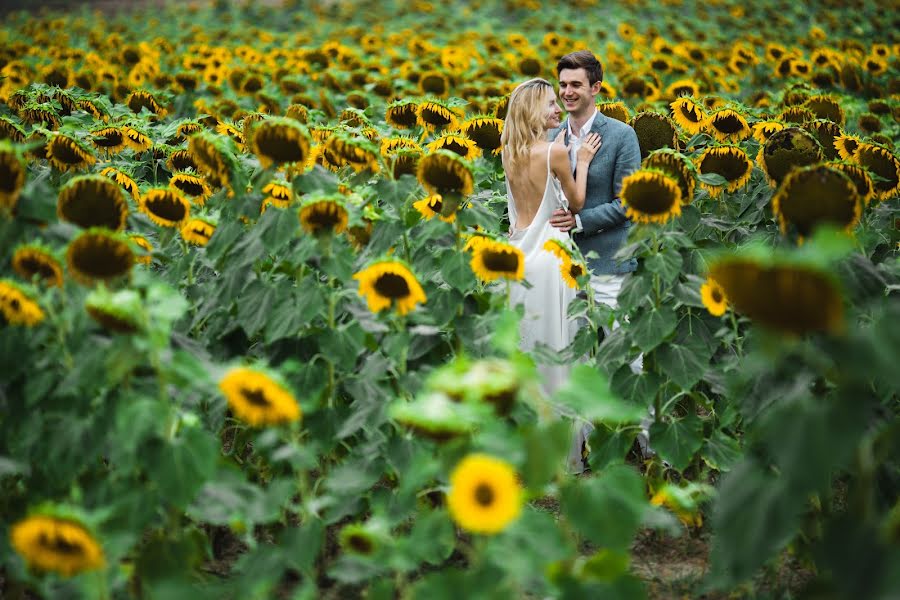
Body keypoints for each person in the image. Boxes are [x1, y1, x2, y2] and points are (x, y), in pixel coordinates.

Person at [549, 51, 649, 468]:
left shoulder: (622, 135)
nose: (568, 92)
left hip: (609, 264)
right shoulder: (552, 136)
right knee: (578, 362)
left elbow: (628, 203)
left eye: (576, 84)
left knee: (628, 358)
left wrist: (578, 222)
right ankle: (588, 449)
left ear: (596, 88)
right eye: (564, 84)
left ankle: (649, 448)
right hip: (563, 268)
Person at [500, 77, 600, 473]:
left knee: (526, 351)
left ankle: (526, 445)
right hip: (551, 256)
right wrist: (584, 161)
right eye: (549, 105)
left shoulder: (508, 151)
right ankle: (564, 452)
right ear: (532, 111)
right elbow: (576, 201)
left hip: (518, 257)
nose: (558, 110)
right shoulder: (555, 151)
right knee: (560, 349)